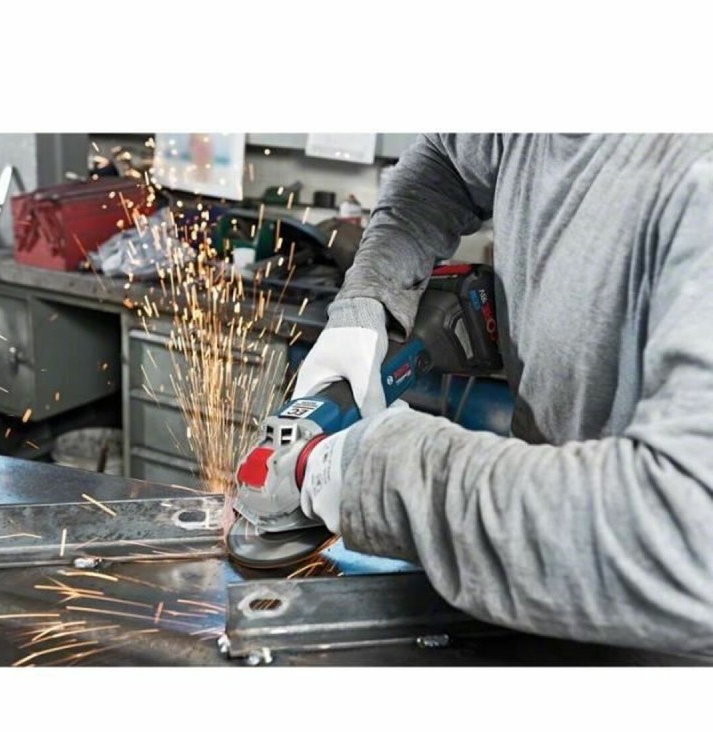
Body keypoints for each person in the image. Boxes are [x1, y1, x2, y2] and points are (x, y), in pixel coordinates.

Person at [292, 134, 713, 656]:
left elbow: (685, 536)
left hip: (669, 636)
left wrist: (382, 471)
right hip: (537, 573)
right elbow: (447, 161)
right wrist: (371, 294)